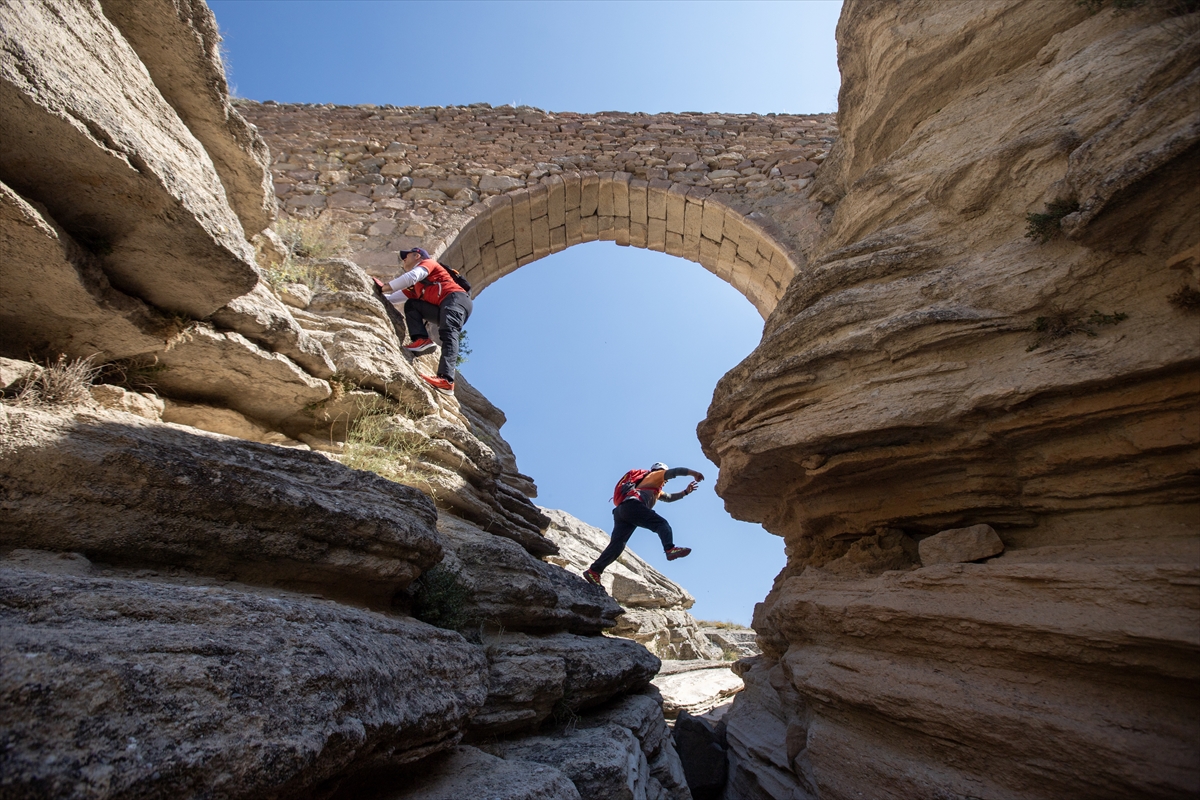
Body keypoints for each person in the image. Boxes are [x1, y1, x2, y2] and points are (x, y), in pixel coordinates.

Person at [583, 462, 704, 586]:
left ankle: (594, 571)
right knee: (662, 524)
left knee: (617, 546)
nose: (666, 481)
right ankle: (670, 549)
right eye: (664, 476)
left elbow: (668, 497)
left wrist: (685, 492)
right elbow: (675, 472)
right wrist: (694, 473)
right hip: (633, 506)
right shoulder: (655, 475)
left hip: (622, 511)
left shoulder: (652, 487)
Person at [380, 247, 472, 396]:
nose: (403, 259)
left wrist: (385, 287)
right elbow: (391, 298)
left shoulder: (428, 263)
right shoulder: (416, 287)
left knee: (449, 332)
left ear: (417, 256)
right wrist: (377, 290)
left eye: (406, 256)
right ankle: (421, 340)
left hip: (456, 299)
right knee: (411, 304)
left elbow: (412, 276)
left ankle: (446, 380)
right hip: (443, 306)